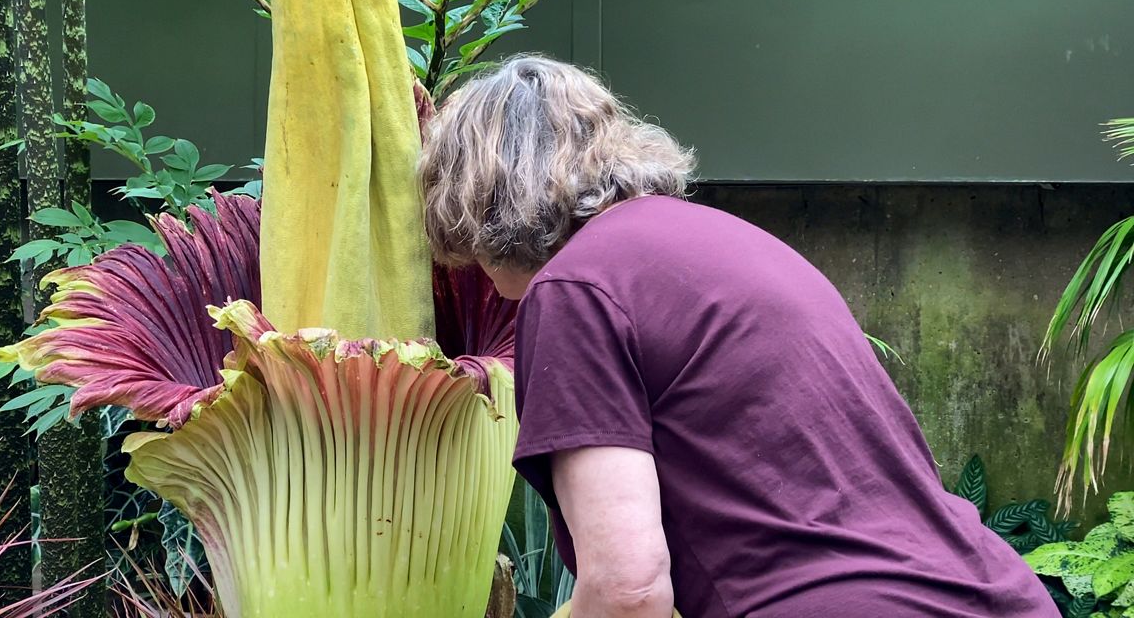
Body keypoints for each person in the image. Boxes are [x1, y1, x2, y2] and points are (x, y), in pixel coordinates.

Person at [417, 55, 1058, 618]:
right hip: (997, 592)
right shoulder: (729, 242)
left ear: (478, 198)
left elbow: (628, 593)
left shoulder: (575, 288)